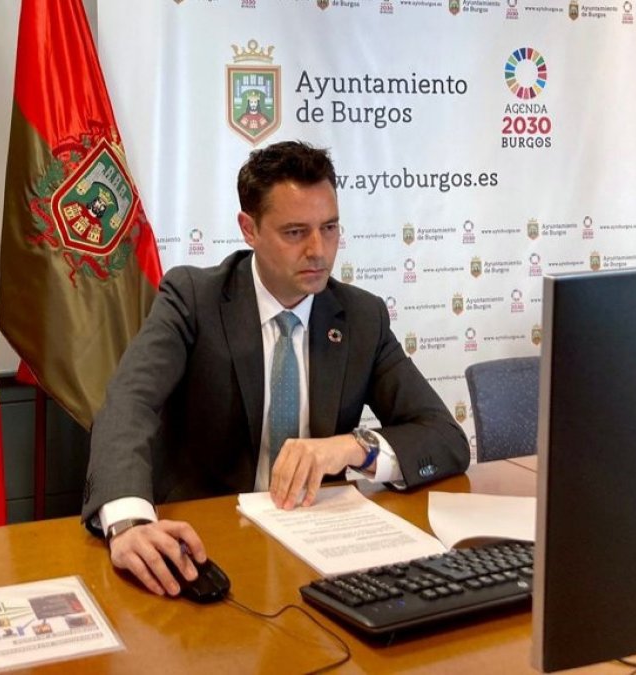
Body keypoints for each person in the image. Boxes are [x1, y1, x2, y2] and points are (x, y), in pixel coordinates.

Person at [81, 141, 469, 597]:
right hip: (210, 541)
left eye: (329, 228)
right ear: (249, 229)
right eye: (294, 232)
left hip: (316, 548)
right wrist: (129, 521)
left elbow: (444, 437)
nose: (318, 250)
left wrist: (351, 447)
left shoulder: (361, 317)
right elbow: (129, 404)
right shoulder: (193, 299)